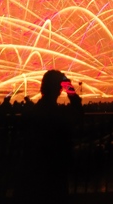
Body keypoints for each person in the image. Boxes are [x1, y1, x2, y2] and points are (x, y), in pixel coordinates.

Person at [18, 70, 83, 203]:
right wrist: (68, 85)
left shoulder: (33, 113)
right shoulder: (59, 115)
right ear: (60, 89)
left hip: (32, 174)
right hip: (55, 171)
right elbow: (78, 111)